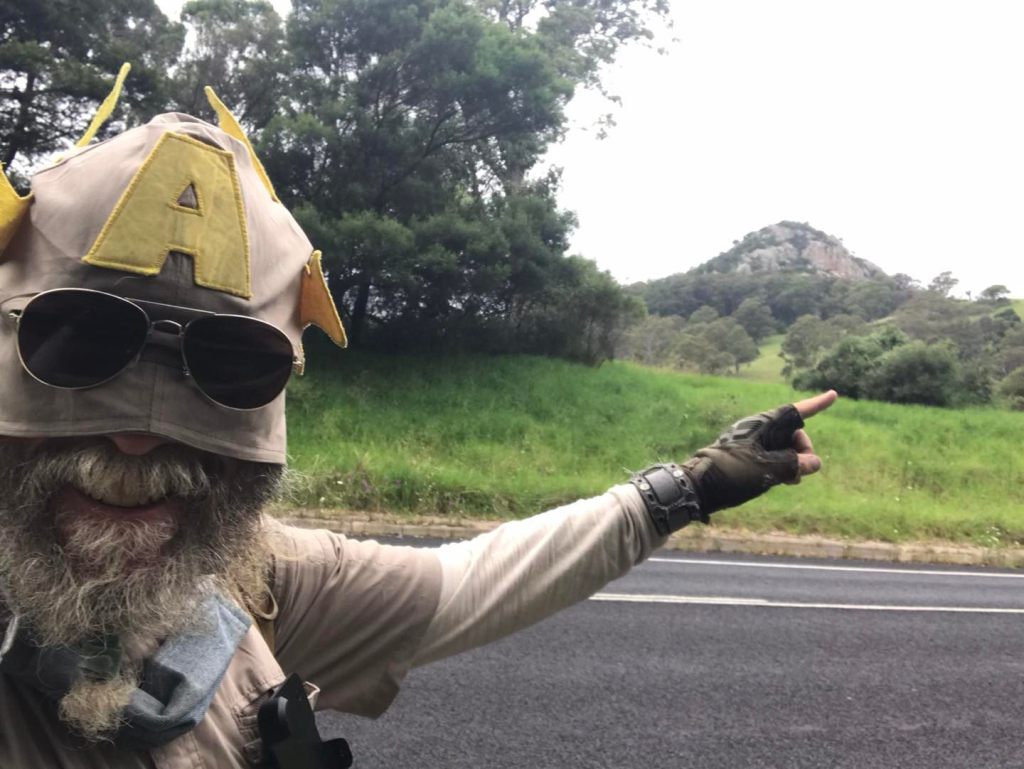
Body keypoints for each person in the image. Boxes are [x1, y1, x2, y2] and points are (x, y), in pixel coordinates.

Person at [0, 81, 837, 768]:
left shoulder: (256, 583)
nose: (138, 439)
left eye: (228, 368)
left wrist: (693, 485)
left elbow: (469, 583)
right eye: (78, 346)